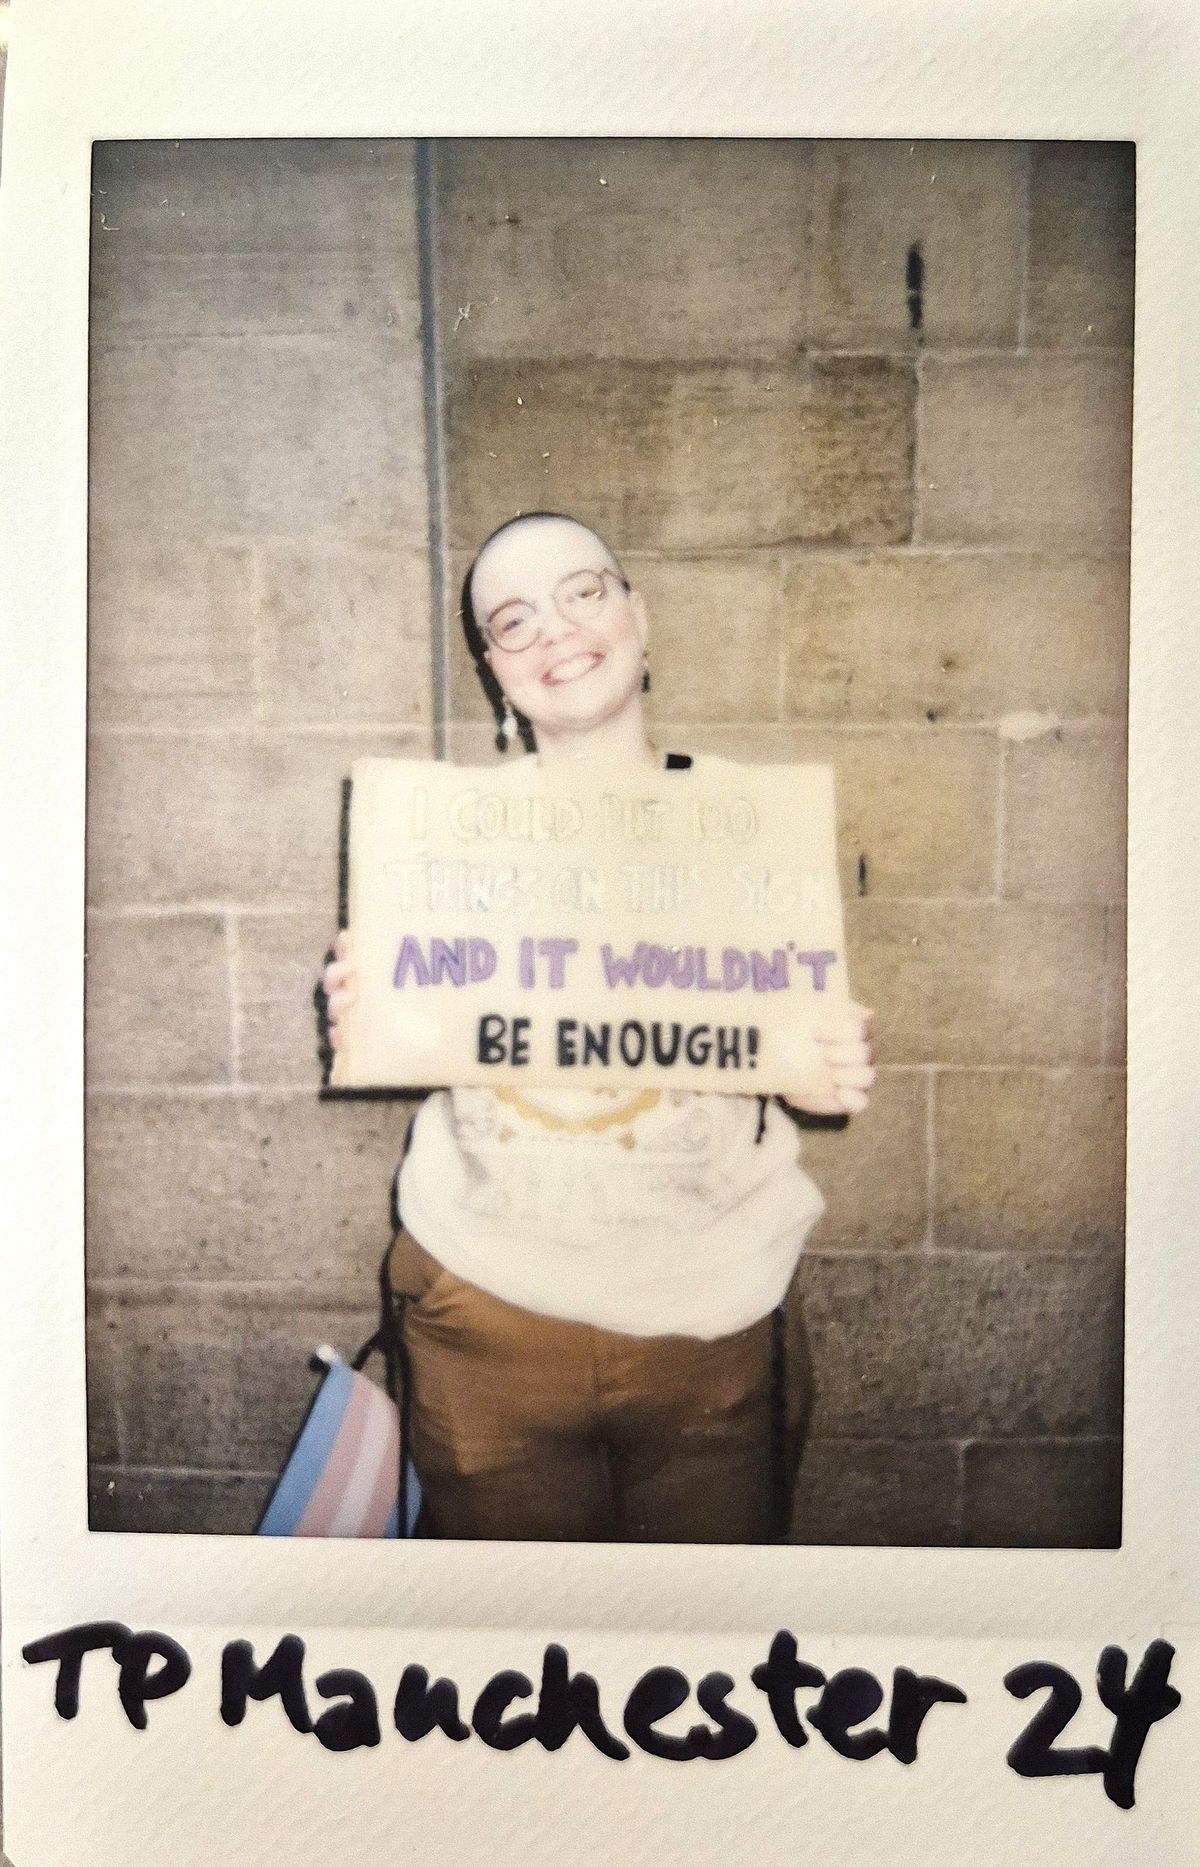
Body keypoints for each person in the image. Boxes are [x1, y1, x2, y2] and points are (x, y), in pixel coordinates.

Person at [322, 511, 875, 1543]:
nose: (556, 633)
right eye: (514, 619)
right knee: (518, 1651)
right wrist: (371, 1008)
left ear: (638, 615)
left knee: (699, 1651)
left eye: (583, 592)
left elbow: (789, 1030)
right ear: (494, 669)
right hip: (485, 1313)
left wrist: (818, 1065)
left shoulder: (741, 820)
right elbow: (414, 1015)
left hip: (707, 1318)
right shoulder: (439, 839)